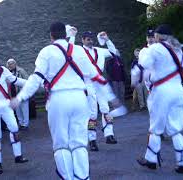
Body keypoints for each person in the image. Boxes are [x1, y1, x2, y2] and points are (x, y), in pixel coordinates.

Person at [10, 22, 110, 180]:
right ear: (65, 34)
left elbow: (36, 78)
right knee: (79, 143)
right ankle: (83, 178)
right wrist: (111, 98)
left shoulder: (47, 51)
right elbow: (95, 75)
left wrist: (20, 97)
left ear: (51, 36)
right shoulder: (79, 50)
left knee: (61, 144)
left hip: (59, 99)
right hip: (80, 98)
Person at [131, 24, 183, 174]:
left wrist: (134, 81)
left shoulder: (154, 48)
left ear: (158, 36)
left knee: (156, 128)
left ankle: (151, 160)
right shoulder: (179, 50)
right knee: (175, 128)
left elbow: (141, 67)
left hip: (162, 91)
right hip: (177, 90)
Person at [68, 30, 121, 151]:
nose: (90, 41)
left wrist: (107, 40)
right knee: (92, 113)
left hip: (99, 82)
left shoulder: (99, 50)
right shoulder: (78, 51)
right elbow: (68, 51)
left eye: (91, 38)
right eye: (87, 39)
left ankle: (109, 134)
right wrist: (72, 36)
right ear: (82, 40)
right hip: (88, 83)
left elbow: (115, 53)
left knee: (105, 109)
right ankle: (92, 140)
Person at [6, 59, 30, 130]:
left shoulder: (21, 71)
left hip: (21, 92)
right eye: (9, 64)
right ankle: (20, 123)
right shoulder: (7, 72)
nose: (10, 65)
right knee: (18, 109)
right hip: (13, 93)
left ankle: (25, 124)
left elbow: (27, 80)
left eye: (12, 63)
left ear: (15, 64)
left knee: (24, 109)